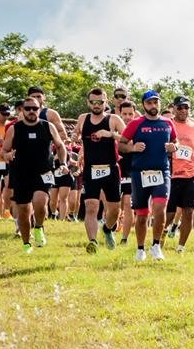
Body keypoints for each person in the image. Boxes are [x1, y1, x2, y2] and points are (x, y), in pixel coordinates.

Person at [2, 96, 67, 252]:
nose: (31, 111)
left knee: (40, 202)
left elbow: (60, 146)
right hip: (21, 174)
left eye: (35, 108)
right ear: (22, 110)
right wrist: (7, 155)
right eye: (28, 108)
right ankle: (26, 243)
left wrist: (63, 163)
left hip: (43, 172)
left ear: (40, 109)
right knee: (24, 211)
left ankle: (38, 227)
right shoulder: (14, 129)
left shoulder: (48, 126)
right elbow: (4, 150)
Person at [121, 91, 178, 261]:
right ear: (144, 105)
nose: (153, 106)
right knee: (142, 215)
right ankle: (140, 249)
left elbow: (175, 141)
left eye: (156, 102)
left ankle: (156, 246)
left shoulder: (168, 123)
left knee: (160, 209)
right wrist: (132, 148)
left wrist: (174, 147)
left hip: (162, 172)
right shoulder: (136, 123)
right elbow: (121, 145)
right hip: (140, 173)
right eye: (149, 103)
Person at [74, 88, 126, 252]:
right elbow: (76, 134)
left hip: (111, 169)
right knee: (91, 206)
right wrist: (75, 138)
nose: (96, 105)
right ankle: (93, 241)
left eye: (100, 102)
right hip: (90, 169)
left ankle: (108, 229)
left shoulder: (113, 119)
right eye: (93, 102)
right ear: (88, 102)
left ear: (106, 102)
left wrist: (110, 134)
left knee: (114, 210)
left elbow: (128, 138)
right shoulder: (83, 118)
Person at [167, 96, 194, 252]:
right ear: (174, 108)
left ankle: (181, 247)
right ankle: (158, 242)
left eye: (186, 107)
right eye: (180, 107)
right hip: (171, 175)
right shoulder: (168, 124)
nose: (183, 110)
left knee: (188, 211)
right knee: (169, 214)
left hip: (190, 175)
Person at [115, 100, 137, 245]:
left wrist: (113, 136)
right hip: (114, 171)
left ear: (134, 114)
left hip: (131, 171)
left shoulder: (138, 128)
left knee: (128, 204)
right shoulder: (112, 125)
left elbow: (131, 143)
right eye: (124, 114)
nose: (127, 117)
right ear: (119, 113)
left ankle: (125, 238)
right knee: (114, 206)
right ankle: (111, 228)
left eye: (130, 114)